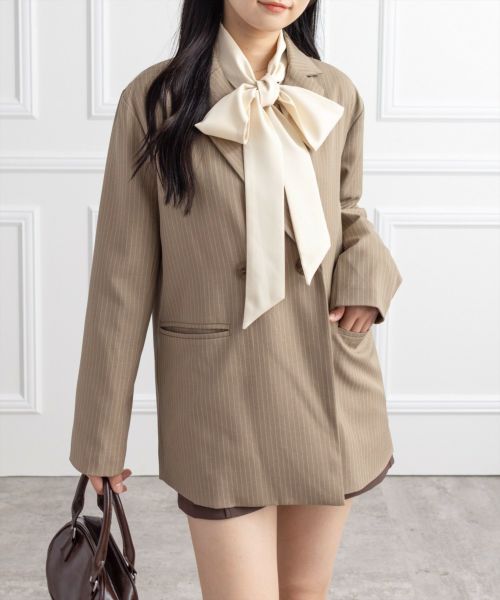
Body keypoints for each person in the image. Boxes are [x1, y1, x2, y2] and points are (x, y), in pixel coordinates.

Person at [69, 0, 403, 597]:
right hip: (220, 394)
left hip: (330, 377)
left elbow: (345, 210)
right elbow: (122, 275)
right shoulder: (154, 100)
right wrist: (101, 433)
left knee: (304, 591)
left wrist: (367, 284)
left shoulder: (335, 90)